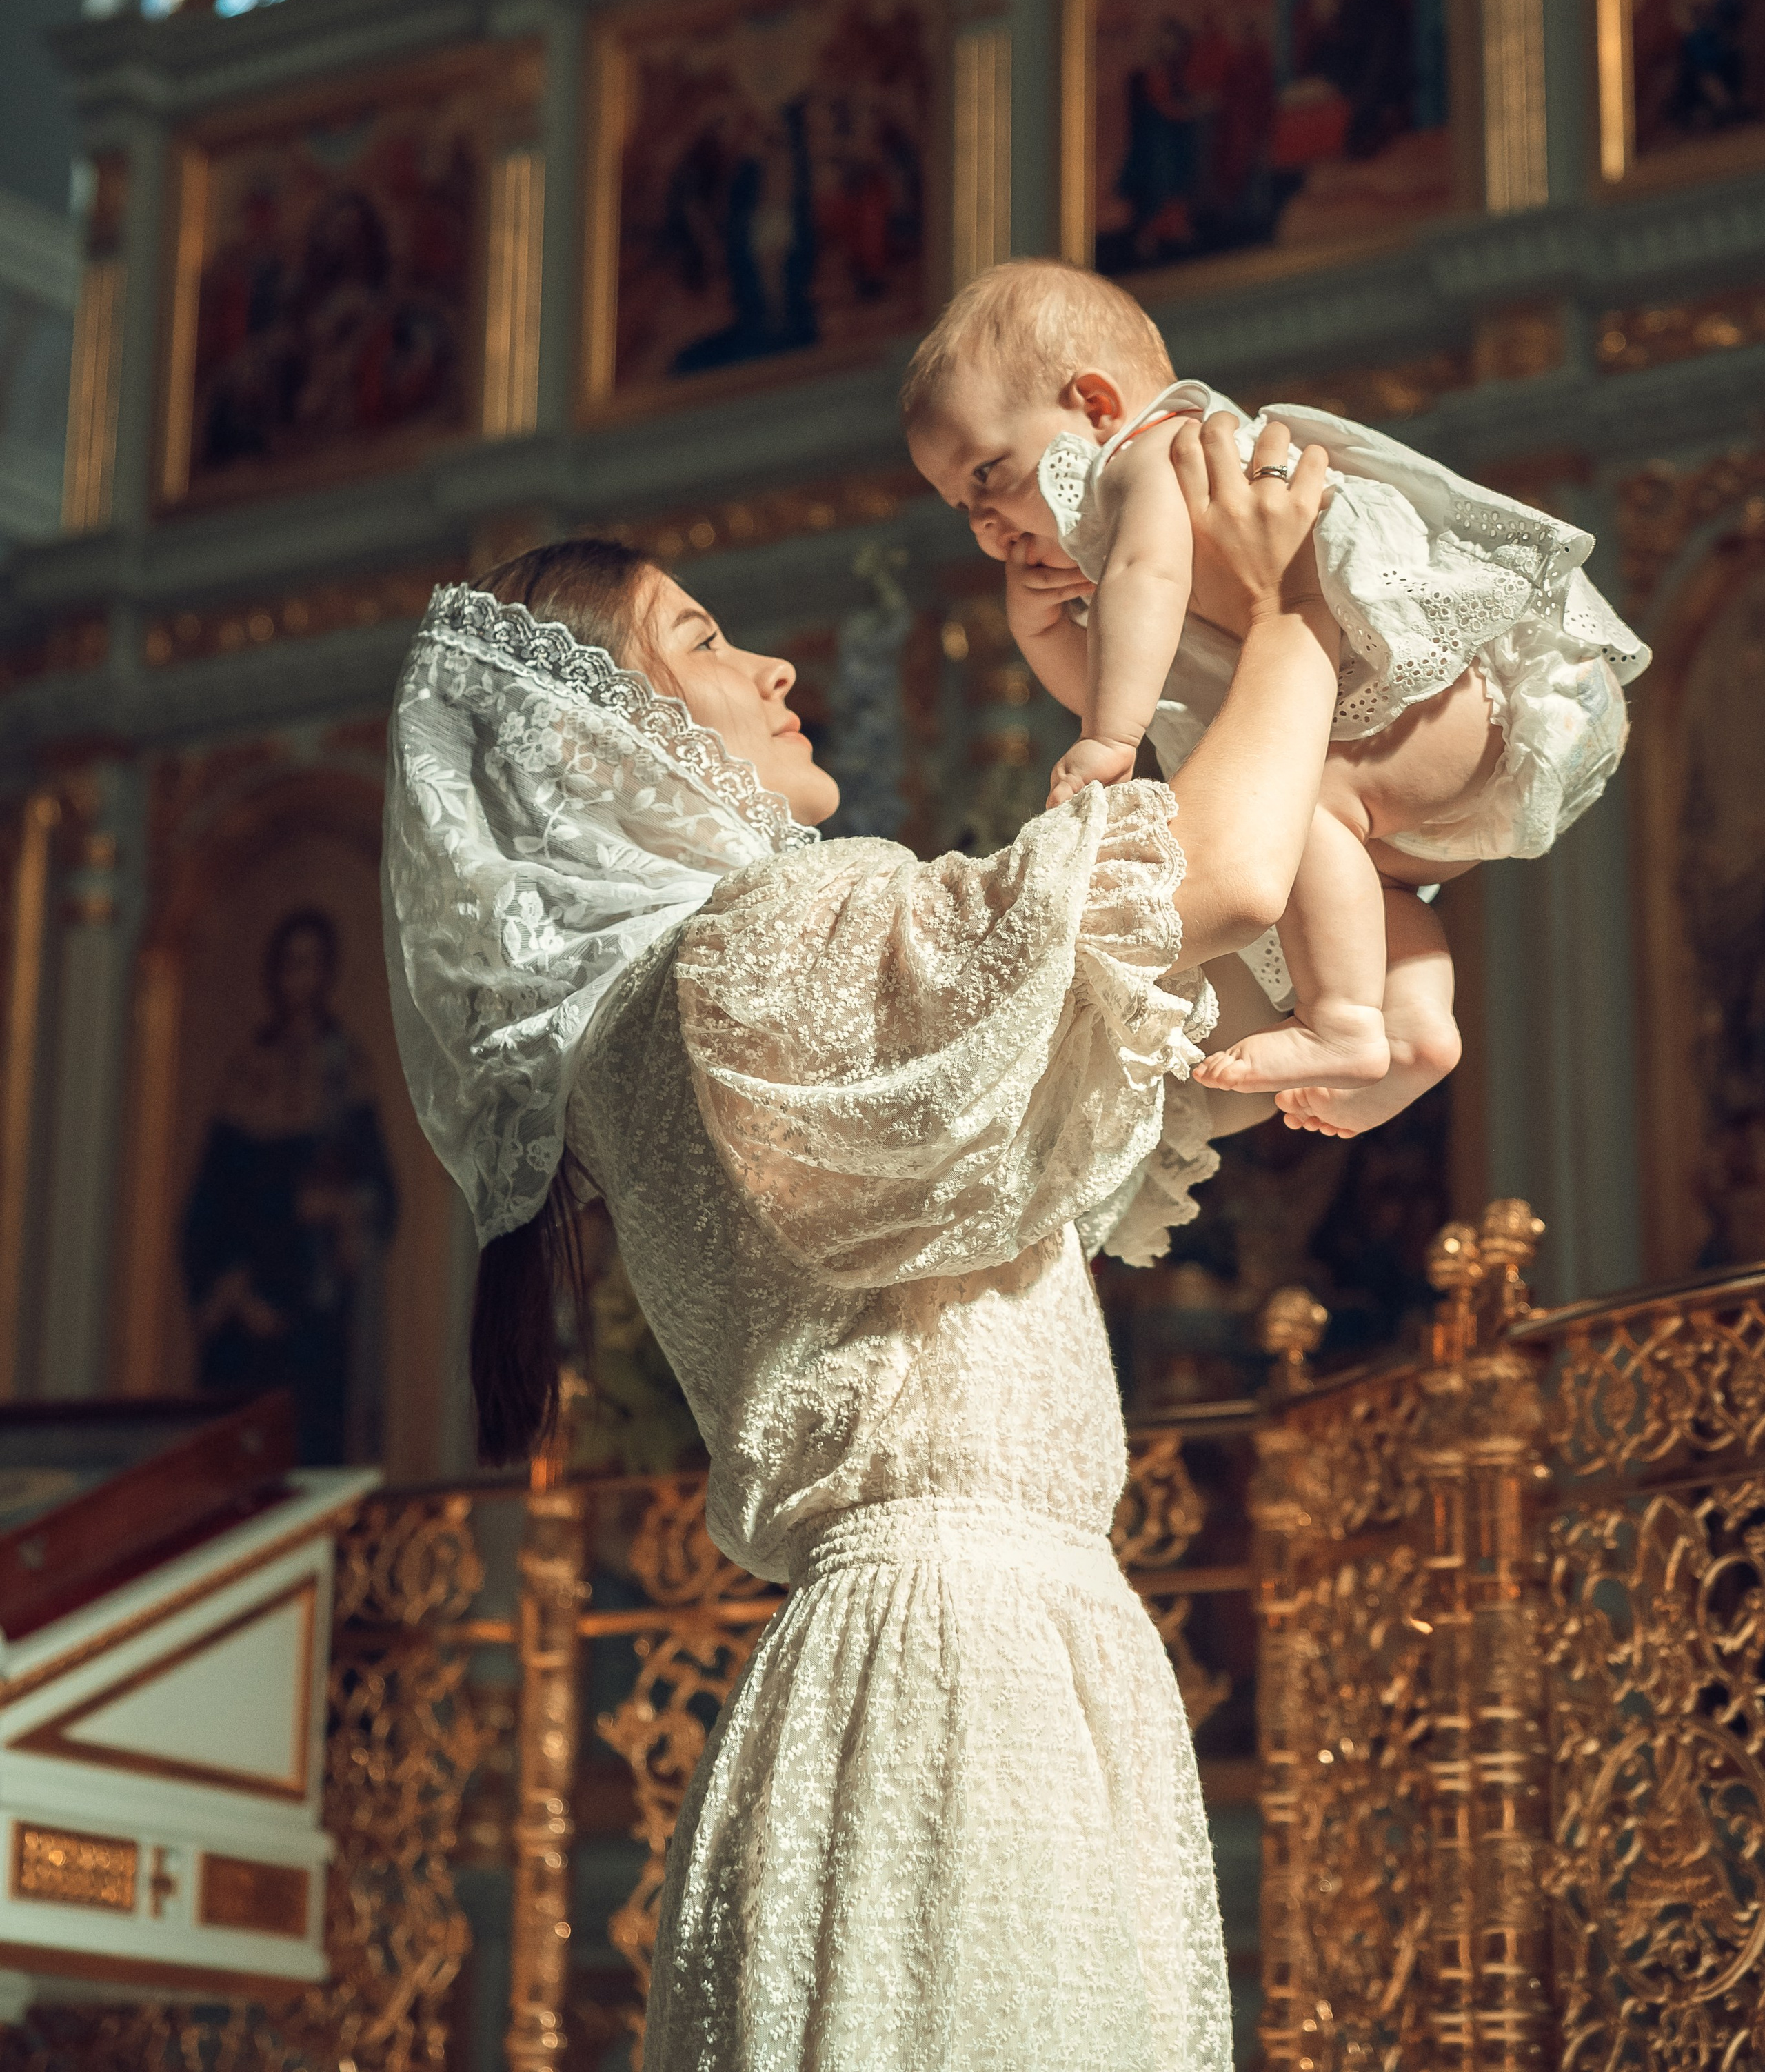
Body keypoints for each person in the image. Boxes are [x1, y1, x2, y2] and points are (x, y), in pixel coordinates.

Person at [381, 432, 1338, 2072]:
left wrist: (1166, 660)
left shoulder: (677, 1005)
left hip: (992, 1658)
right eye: (696, 639)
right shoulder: (759, 948)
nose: (769, 663)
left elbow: (1205, 997)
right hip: (951, 1678)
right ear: (599, 750)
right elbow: (1231, 871)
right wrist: (1300, 595)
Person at [902, 259, 1651, 1138]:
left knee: (1306, 811)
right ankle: (1411, 1027)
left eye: (989, 474)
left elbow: (1145, 589)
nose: (983, 522)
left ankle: (1341, 1021)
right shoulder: (1118, 530)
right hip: (1426, 750)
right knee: (1338, 863)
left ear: (1095, 407)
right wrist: (1043, 633)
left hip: (1475, 695)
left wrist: (1110, 735)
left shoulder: (1158, 453)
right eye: (961, 506)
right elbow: (1168, 692)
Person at [182, 909, 399, 1462]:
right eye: (289, 964)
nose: (298, 978)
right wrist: (233, 1279)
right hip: (247, 1296)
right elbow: (214, 1198)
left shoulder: (346, 1069)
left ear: (328, 973)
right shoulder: (246, 1070)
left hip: (315, 1306)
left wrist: (348, 1209)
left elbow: (381, 1192)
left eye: (311, 965)